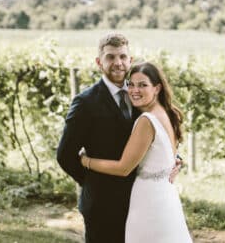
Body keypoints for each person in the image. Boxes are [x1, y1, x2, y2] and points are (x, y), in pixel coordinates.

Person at [56, 33, 181, 243]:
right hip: (103, 204)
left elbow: (158, 135)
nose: (118, 63)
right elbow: (65, 155)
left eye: (123, 57)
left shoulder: (141, 95)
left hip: (142, 201)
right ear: (99, 62)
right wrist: (93, 183)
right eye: (110, 57)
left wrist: (174, 160)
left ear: (130, 60)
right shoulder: (85, 103)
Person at [79, 62, 192, 243]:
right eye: (131, 84)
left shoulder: (146, 121)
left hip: (148, 201)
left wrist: (86, 161)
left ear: (157, 88)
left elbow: (123, 168)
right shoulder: (169, 114)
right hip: (167, 197)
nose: (134, 90)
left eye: (142, 85)